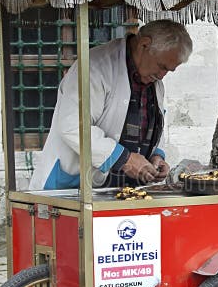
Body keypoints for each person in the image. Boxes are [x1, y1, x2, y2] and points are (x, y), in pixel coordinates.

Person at [28, 19, 193, 191]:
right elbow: (72, 125)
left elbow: (153, 124)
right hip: (73, 186)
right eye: (161, 66)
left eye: (168, 70)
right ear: (144, 44)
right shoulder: (95, 67)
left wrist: (156, 155)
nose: (162, 75)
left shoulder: (154, 81)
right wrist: (125, 159)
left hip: (122, 189)